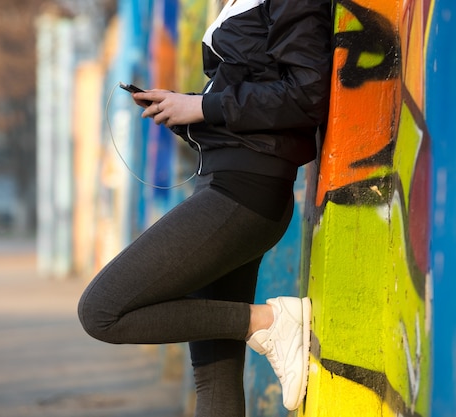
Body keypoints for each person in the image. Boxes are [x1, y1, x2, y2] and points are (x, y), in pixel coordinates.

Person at [78, 0, 331, 415]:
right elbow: (249, 93)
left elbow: (307, 95)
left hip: (244, 192)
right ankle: (260, 323)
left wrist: (200, 107)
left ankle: (268, 323)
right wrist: (186, 108)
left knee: (101, 310)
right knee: (214, 377)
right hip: (224, 183)